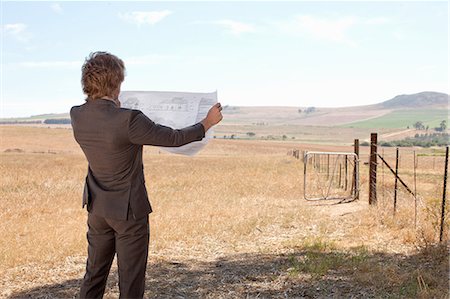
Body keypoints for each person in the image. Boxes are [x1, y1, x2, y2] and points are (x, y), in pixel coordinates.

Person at [70, 51, 223, 298]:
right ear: (116, 82)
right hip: (128, 212)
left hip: (97, 208)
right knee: (131, 282)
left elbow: (103, 120)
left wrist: (113, 104)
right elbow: (174, 138)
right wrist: (206, 123)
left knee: (94, 275)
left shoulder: (77, 115)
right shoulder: (129, 120)